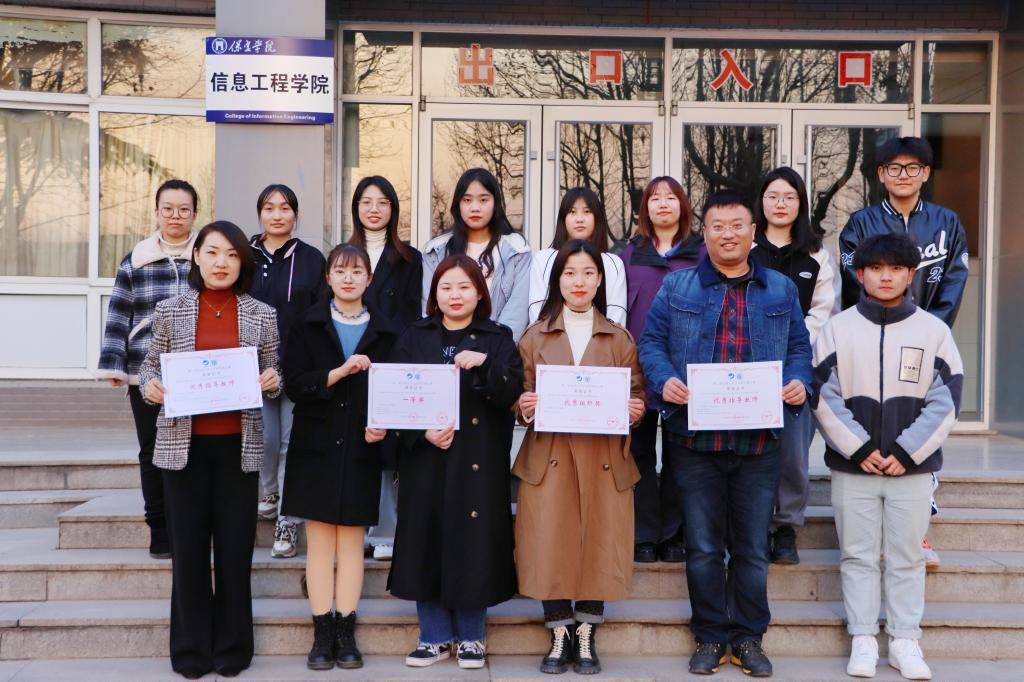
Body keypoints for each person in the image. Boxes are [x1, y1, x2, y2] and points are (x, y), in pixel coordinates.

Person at [638, 191, 812, 678]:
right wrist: (664, 379)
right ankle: (711, 636)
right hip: (695, 443)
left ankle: (749, 637)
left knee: (753, 549)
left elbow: (800, 348)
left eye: (738, 225)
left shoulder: (780, 289)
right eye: (718, 226)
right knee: (703, 547)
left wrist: (799, 380)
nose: (728, 234)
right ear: (705, 233)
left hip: (759, 443)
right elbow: (651, 343)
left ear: (753, 232)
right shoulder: (678, 287)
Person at [813, 233, 963, 680]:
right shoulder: (837, 329)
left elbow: (947, 400)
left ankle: (904, 640)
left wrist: (905, 452)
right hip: (853, 467)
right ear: (860, 274)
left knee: (906, 557)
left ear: (910, 274)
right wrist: (859, 448)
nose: (885, 276)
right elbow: (823, 394)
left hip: (911, 470)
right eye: (876, 268)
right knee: (857, 555)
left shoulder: (933, 332)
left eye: (896, 268)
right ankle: (862, 638)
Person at [138, 221, 281, 679]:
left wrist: (273, 380)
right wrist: (150, 386)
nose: (222, 263)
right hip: (184, 451)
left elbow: (275, 371)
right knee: (189, 551)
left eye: (232, 255)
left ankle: (234, 646)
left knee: (236, 551)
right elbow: (148, 368)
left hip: (238, 448)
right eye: (214, 252)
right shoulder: (170, 310)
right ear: (196, 256)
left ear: (243, 263)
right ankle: (191, 648)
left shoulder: (261, 314)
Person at [514, 240, 646, 675]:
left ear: (600, 280)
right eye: (570, 273)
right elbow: (519, 393)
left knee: (600, 542)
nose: (579, 281)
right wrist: (524, 405)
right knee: (549, 541)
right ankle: (559, 632)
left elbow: (637, 393)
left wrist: (635, 408)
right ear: (558, 280)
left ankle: (586, 631)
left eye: (588, 273)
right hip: (550, 454)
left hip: (602, 457)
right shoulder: (535, 336)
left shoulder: (619, 338)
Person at [838, 137, 968, 570]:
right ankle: (875, 535)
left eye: (913, 168)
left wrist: (927, 332)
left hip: (925, 344)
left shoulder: (947, 222)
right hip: (872, 342)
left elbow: (953, 282)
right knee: (876, 428)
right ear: (881, 174)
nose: (903, 175)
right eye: (894, 168)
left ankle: (917, 533)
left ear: (926, 174)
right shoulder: (860, 223)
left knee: (923, 431)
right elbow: (855, 282)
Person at [388, 255, 523, 670]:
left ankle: (471, 637)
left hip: (477, 459)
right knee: (425, 539)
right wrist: (420, 433)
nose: (455, 295)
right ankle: (432, 637)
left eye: (465, 287)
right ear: (435, 294)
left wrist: (485, 364)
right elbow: (393, 395)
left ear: (479, 293)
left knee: (473, 543)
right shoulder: (415, 335)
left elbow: (512, 391)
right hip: (427, 456)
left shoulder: (497, 337)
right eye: (446, 287)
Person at [281, 244, 398, 670]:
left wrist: (384, 426)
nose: (348, 278)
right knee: (319, 543)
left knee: (351, 543)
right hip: (314, 445)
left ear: (370, 279)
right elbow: (294, 383)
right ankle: (321, 631)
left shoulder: (387, 330)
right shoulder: (307, 323)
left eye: (357, 271)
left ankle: (346, 630)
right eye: (340, 271)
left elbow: (394, 391)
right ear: (328, 278)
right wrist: (339, 372)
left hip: (362, 446)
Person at [97, 179, 200, 560]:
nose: (175, 216)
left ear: (195, 214)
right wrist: (114, 364)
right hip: (146, 370)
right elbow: (118, 313)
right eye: (168, 209)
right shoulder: (136, 259)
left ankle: (189, 526)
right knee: (152, 451)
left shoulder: (207, 256)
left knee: (194, 450)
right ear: (157, 212)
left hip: (196, 371)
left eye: (184, 209)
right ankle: (159, 529)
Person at [751, 167, 840, 565]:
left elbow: (824, 311)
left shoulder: (816, 255)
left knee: (792, 452)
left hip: (796, 366)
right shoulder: (746, 246)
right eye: (773, 196)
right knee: (750, 451)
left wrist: (789, 344)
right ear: (762, 202)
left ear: (800, 203)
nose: (780, 204)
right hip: (747, 364)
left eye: (789, 197)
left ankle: (786, 526)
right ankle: (753, 524)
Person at [618, 176, 705, 564]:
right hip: (637, 372)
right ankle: (643, 534)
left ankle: (673, 534)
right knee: (638, 455)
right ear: (645, 209)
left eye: (671, 197)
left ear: (683, 206)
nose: (663, 204)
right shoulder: (628, 256)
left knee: (679, 456)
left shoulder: (701, 254)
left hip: (684, 374)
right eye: (655, 198)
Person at [248, 183, 327, 559]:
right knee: (264, 439)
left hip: (297, 365)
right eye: (269, 207)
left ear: (295, 214)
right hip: (253, 367)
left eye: (284, 208)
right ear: (260, 214)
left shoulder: (312, 259)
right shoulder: (243, 256)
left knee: (290, 445)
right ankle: (269, 491)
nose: (277, 214)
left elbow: (319, 314)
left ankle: (287, 521)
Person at [347, 175, 423, 562]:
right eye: (366, 202)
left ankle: (385, 531)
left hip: (391, 359)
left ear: (393, 209)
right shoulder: (344, 254)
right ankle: (355, 526)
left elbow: (410, 314)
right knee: (355, 443)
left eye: (382, 202)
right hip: (351, 359)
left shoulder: (409, 258)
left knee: (388, 446)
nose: (374, 209)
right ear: (356, 208)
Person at [421, 167, 532, 343]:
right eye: (467, 200)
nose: (475, 208)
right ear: (458, 204)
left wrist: (490, 349)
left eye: (483, 200)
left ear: (495, 203)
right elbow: (429, 307)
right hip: (445, 349)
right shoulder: (436, 251)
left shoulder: (517, 251)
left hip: (497, 350)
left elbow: (516, 313)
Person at [528, 187, 627, 326]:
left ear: (597, 218)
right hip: (551, 338)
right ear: (563, 218)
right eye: (572, 212)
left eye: (587, 212)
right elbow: (537, 311)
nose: (579, 219)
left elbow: (616, 316)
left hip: (601, 339)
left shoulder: (612, 263)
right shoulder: (544, 259)